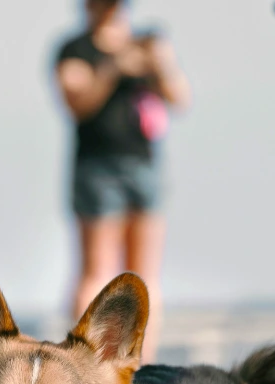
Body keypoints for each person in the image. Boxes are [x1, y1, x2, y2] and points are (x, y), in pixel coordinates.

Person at [54, 0, 190, 363]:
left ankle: (140, 365)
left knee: (145, 276)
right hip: (98, 167)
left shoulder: (147, 45)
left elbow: (179, 98)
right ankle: (82, 360)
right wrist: (113, 67)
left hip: (144, 165)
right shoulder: (74, 49)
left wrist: (160, 62)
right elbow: (77, 102)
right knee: (96, 271)